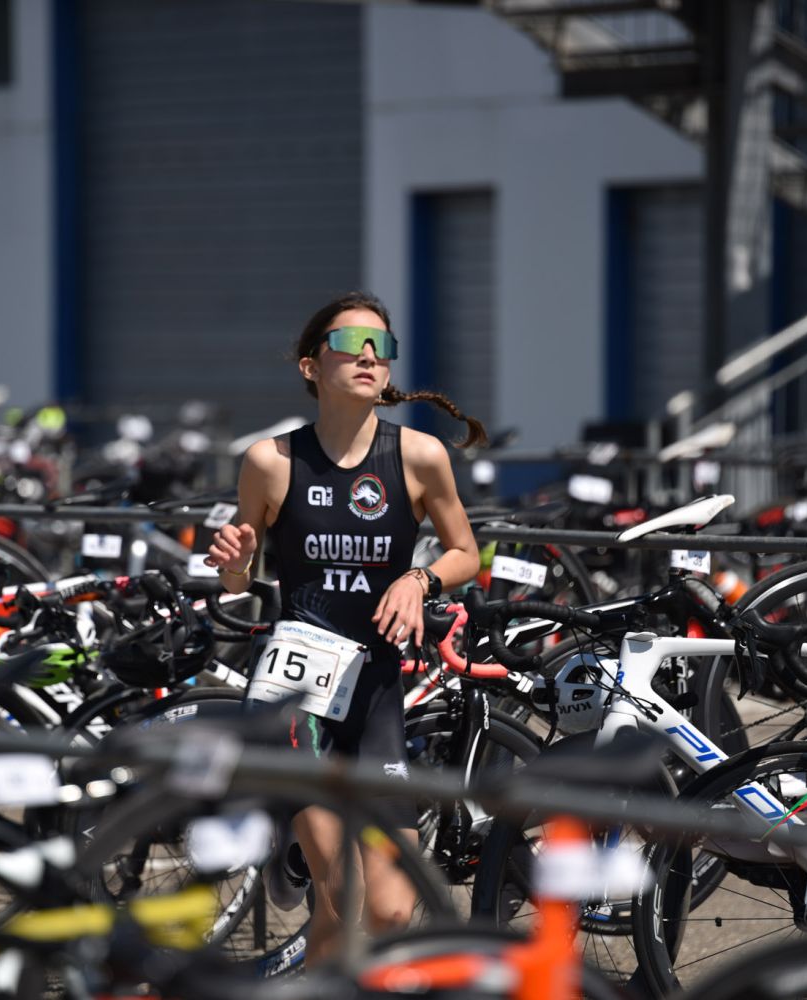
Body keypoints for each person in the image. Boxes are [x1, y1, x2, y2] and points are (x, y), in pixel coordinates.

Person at [205, 291, 485, 965]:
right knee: (340, 895)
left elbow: (466, 554)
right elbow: (237, 582)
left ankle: (293, 851)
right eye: (349, 344)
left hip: (377, 691)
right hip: (296, 696)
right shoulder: (271, 461)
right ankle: (299, 841)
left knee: (391, 910)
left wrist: (419, 580)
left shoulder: (419, 456)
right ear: (311, 366)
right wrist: (236, 565)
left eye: (381, 346)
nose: (368, 356)